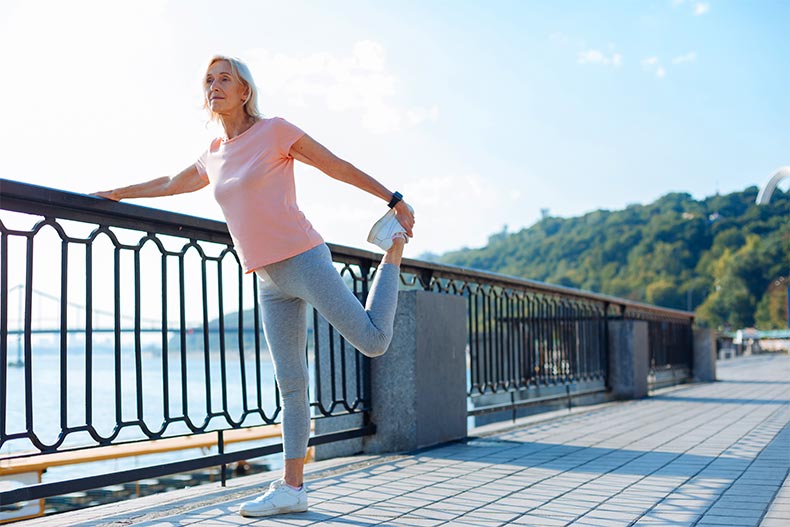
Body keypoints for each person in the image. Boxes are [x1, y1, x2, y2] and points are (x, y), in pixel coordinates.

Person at [93, 55, 415, 518]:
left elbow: (335, 165)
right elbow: (171, 182)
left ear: (245, 91)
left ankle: (392, 250)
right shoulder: (214, 153)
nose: (215, 85)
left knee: (373, 341)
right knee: (291, 383)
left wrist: (394, 200)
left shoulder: (275, 131)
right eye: (209, 79)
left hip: (304, 259)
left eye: (225, 78)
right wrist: (119, 193)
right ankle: (292, 488)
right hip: (266, 278)